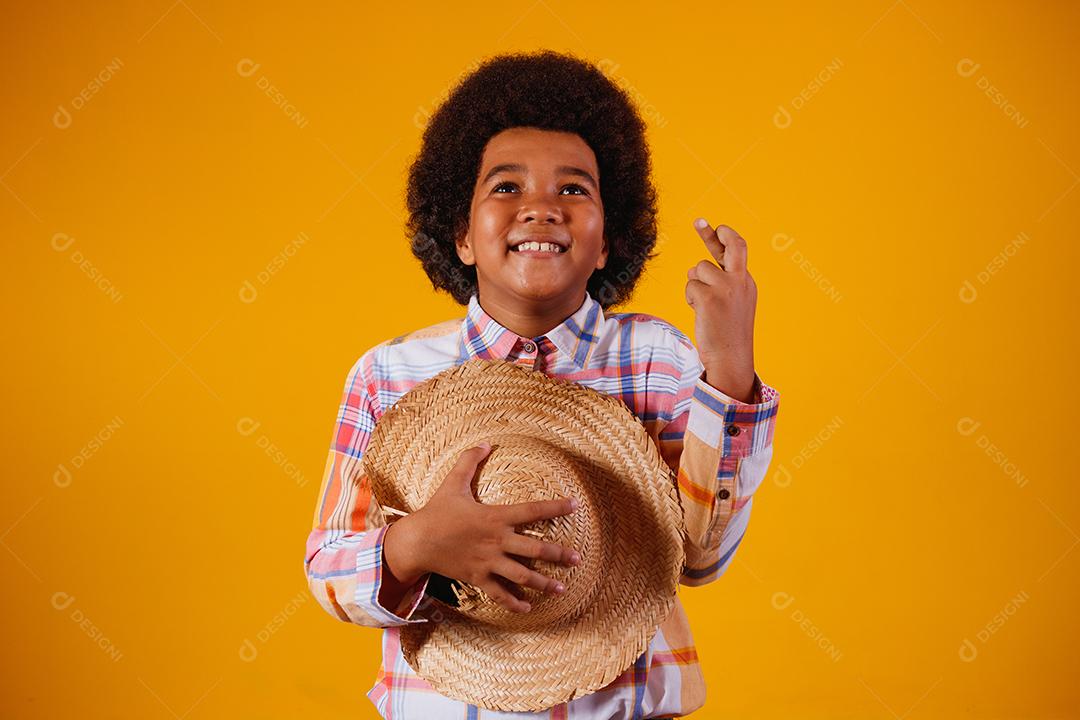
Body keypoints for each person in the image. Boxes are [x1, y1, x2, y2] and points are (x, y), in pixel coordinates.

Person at [303, 49, 780, 719]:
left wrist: (728, 368)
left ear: (608, 240)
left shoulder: (653, 357)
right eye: (506, 187)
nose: (541, 208)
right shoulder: (389, 375)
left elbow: (699, 559)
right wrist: (414, 545)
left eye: (573, 189)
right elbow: (328, 569)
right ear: (461, 234)